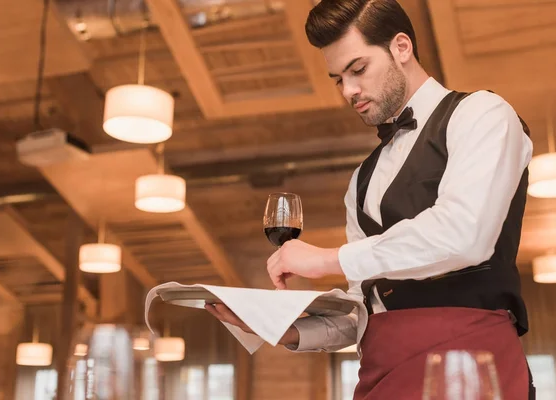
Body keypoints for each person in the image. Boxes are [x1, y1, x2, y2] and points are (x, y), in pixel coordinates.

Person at [205, 0, 536, 398]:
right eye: (337, 79)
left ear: (401, 47)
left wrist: (327, 258)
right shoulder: (362, 179)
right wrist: (287, 331)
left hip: (467, 365)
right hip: (380, 371)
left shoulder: (482, 114)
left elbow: (464, 234)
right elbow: (366, 303)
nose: (349, 90)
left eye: (358, 69)